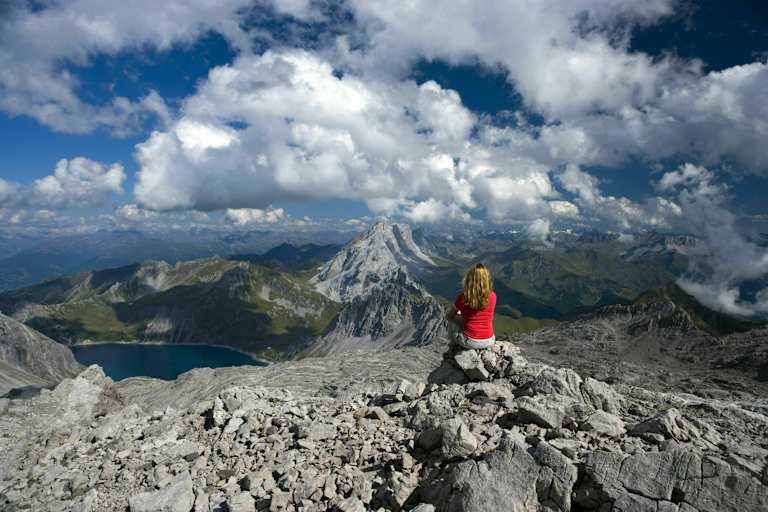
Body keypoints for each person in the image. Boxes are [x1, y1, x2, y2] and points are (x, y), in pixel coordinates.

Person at [445, 263, 496, 350]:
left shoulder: (463, 298)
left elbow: (448, 316)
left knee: (452, 318)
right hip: (490, 340)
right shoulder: (493, 296)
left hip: (471, 342)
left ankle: (452, 345)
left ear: (469, 280)